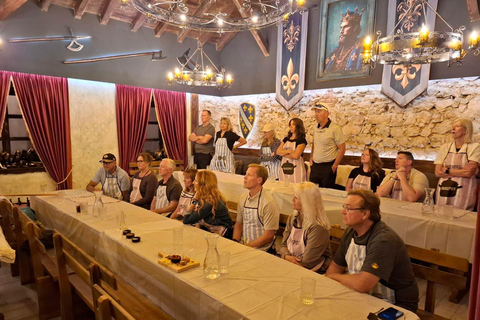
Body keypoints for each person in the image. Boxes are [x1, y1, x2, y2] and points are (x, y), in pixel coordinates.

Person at [326, 190, 419, 313]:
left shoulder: (383, 240)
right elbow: (335, 267)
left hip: (394, 305)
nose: (343, 211)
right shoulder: (351, 232)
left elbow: (363, 283)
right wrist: (333, 276)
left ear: (365, 214)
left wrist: (334, 277)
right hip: (363, 296)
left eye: (348, 208)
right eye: (344, 207)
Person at [278, 182, 332, 273]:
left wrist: (286, 258)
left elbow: (307, 261)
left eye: (296, 198)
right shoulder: (292, 218)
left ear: (306, 201)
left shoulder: (318, 227)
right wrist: (287, 256)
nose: (292, 200)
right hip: (290, 263)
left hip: (313, 271)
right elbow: (283, 245)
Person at [435, 118, 480, 210]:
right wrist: (461, 171)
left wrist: (447, 170)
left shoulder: (475, 147)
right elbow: (437, 172)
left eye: (457, 126)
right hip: (443, 190)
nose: (453, 129)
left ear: (465, 130)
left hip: (464, 192)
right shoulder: (445, 147)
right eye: (453, 126)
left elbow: (468, 173)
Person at [233, 164, 280, 252]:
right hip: (244, 245)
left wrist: (246, 247)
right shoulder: (243, 198)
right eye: (245, 174)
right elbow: (239, 223)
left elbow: (268, 236)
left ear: (259, 180)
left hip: (262, 250)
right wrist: (235, 242)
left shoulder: (269, 203)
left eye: (249, 175)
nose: (245, 177)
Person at [182, 170, 233, 236]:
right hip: (211, 232)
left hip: (223, 235)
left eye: (196, 181)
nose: (193, 183)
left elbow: (186, 220)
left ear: (203, 184)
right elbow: (199, 218)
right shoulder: (206, 198)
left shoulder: (209, 203)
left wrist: (194, 201)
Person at [309, 103, 346, 188]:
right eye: (315, 112)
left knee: (326, 193)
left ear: (326, 113)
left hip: (328, 166)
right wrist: (311, 157)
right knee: (312, 192)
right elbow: (315, 143)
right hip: (315, 166)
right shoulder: (315, 127)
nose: (316, 114)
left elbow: (342, 149)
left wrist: (335, 165)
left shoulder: (335, 128)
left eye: (319, 111)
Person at [324, 7, 364, 73]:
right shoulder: (336, 51)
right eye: (341, 27)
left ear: (355, 28)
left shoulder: (362, 48)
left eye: (346, 27)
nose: (341, 31)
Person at [277, 118, 307, 183]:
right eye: (290, 125)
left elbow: (296, 156)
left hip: (296, 167)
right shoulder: (286, 139)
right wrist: (289, 151)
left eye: (293, 125)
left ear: (298, 126)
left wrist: (284, 153)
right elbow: (278, 151)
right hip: (284, 167)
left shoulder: (301, 140)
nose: (291, 126)